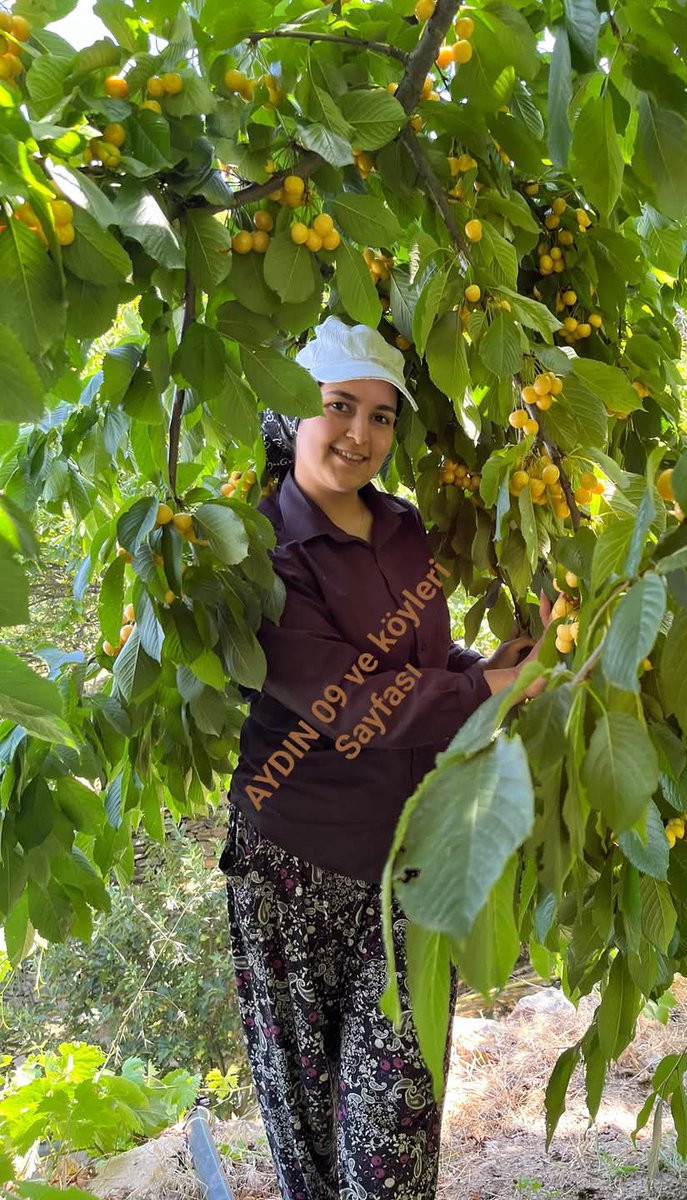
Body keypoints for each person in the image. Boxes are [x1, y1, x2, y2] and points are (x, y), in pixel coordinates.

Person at [219, 316, 550, 1200]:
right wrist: (485, 696)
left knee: (394, 1143)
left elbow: (426, 666)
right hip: (292, 870)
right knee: (313, 1149)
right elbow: (348, 705)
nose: (360, 435)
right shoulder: (258, 555)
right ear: (295, 413)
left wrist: (495, 669)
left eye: (381, 416)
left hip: (407, 873)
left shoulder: (403, 531)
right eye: (338, 408)